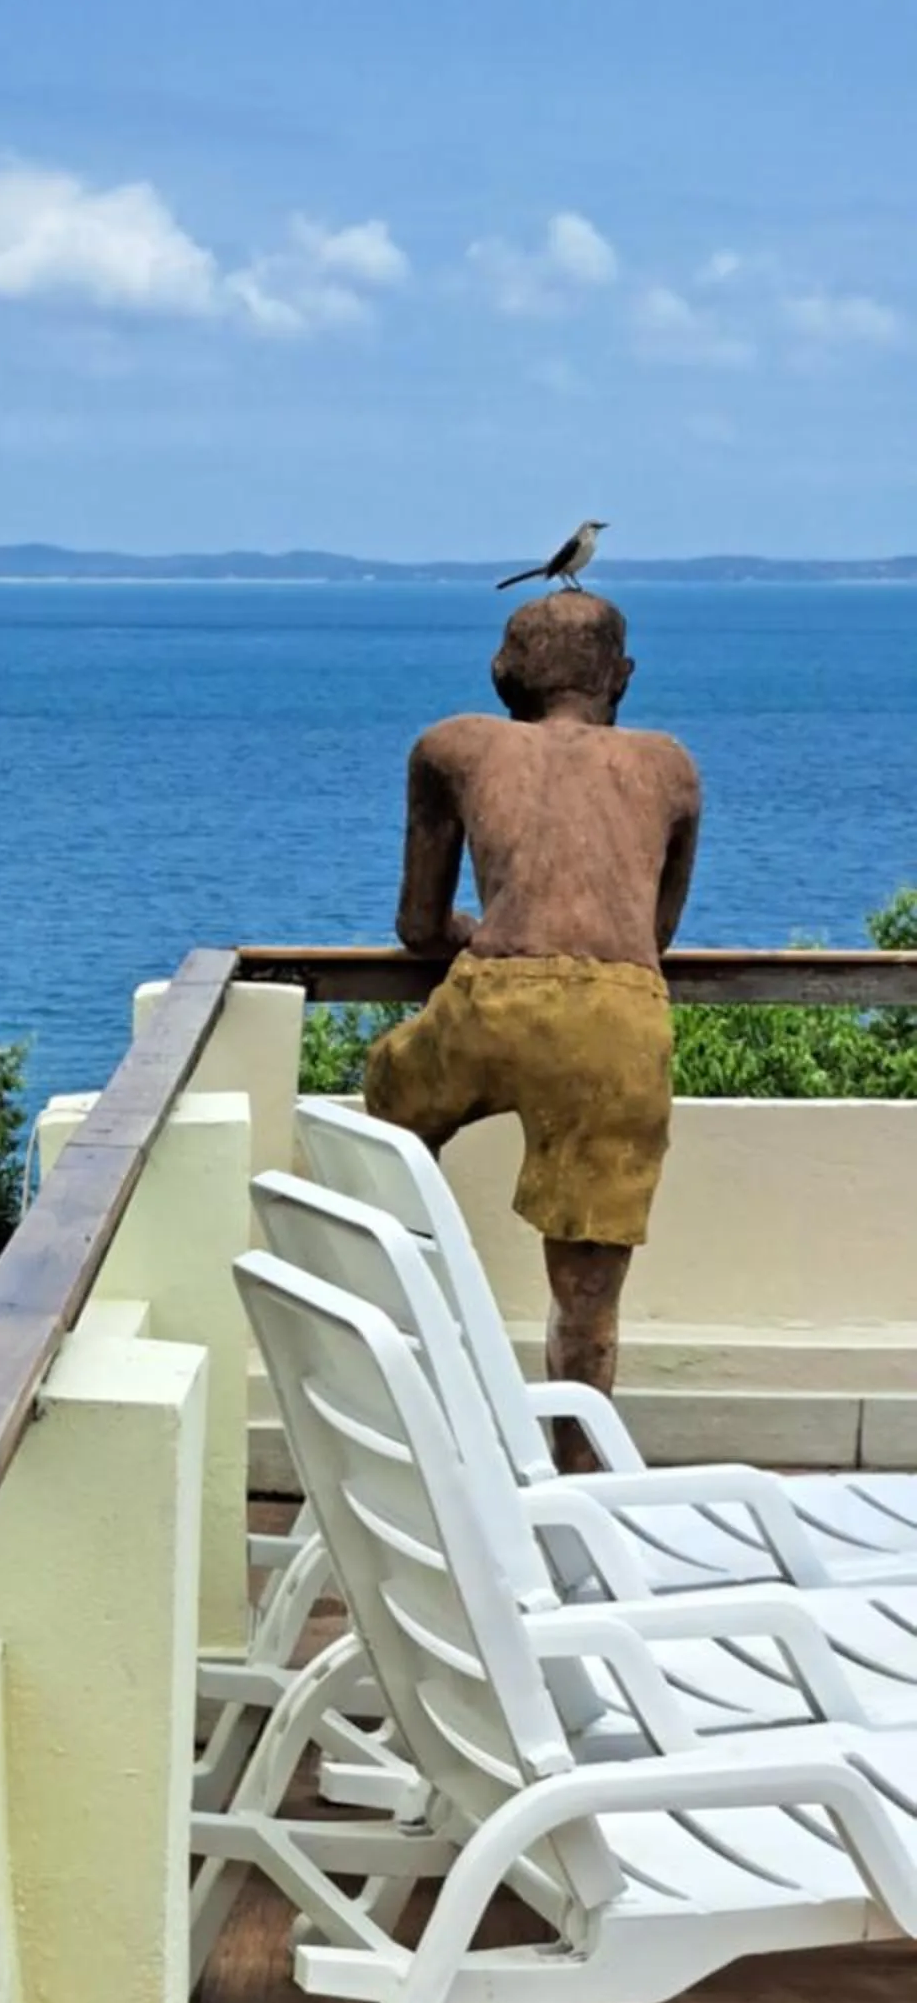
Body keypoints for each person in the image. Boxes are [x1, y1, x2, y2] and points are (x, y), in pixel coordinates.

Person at [368, 591, 701, 1469]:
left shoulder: (455, 746)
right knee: (587, 1296)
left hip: (494, 996)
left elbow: (418, 925)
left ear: (501, 673)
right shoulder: (669, 767)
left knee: (388, 1107)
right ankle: (577, 1483)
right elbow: (654, 936)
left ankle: (404, 1342)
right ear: (620, 678)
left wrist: (483, 936)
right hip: (618, 1019)